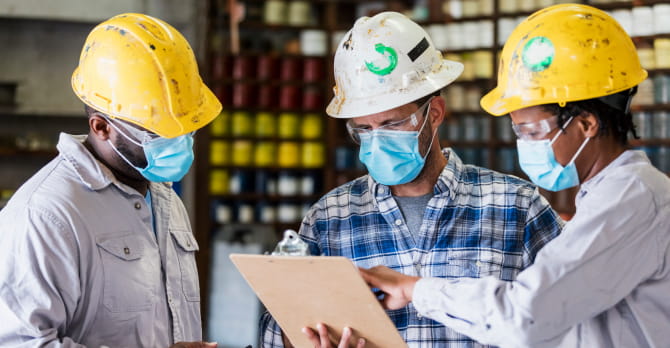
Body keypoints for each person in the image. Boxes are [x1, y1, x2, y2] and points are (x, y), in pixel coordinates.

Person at [360, 4, 670, 348]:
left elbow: (526, 316)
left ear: (586, 124)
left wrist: (414, 289)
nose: (525, 145)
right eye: (518, 132)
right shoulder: (611, 197)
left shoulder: (632, 200)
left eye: (533, 131)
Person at [260, 11, 564, 348]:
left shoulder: (516, 206)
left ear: (434, 114)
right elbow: (278, 333)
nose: (377, 140)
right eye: (363, 129)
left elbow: (572, 316)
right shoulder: (330, 218)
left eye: (391, 124)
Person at [0, 13, 222, 347]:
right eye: (159, 130)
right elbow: (20, 343)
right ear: (102, 127)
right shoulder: (46, 215)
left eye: (187, 126)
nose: (180, 139)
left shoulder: (166, 199)